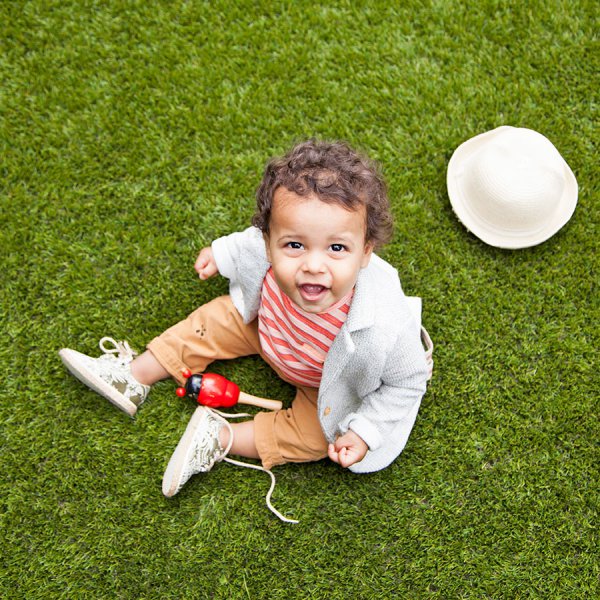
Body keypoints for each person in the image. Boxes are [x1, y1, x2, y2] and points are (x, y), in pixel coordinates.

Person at [59, 140, 433, 522]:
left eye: (337, 247)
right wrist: (221, 255)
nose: (313, 266)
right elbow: (245, 243)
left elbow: (407, 382)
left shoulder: (385, 322)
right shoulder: (262, 247)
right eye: (294, 245)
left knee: (319, 437)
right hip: (268, 328)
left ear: (366, 251)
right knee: (217, 319)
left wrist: (365, 431)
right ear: (270, 244)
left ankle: (219, 437)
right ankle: (134, 376)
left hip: (322, 383)